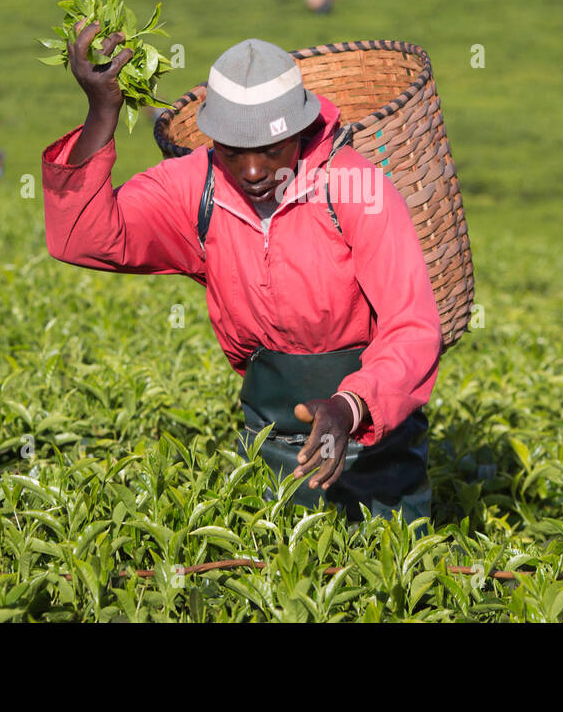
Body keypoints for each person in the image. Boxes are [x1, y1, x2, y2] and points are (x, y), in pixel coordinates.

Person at [42, 26, 441, 524]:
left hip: (376, 440)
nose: (252, 171)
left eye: (271, 150)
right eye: (233, 151)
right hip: (268, 440)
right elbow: (83, 236)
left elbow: (413, 328)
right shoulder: (195, 188)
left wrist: (351, 406)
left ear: (299, 131)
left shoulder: (356, 190)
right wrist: (101, 112)